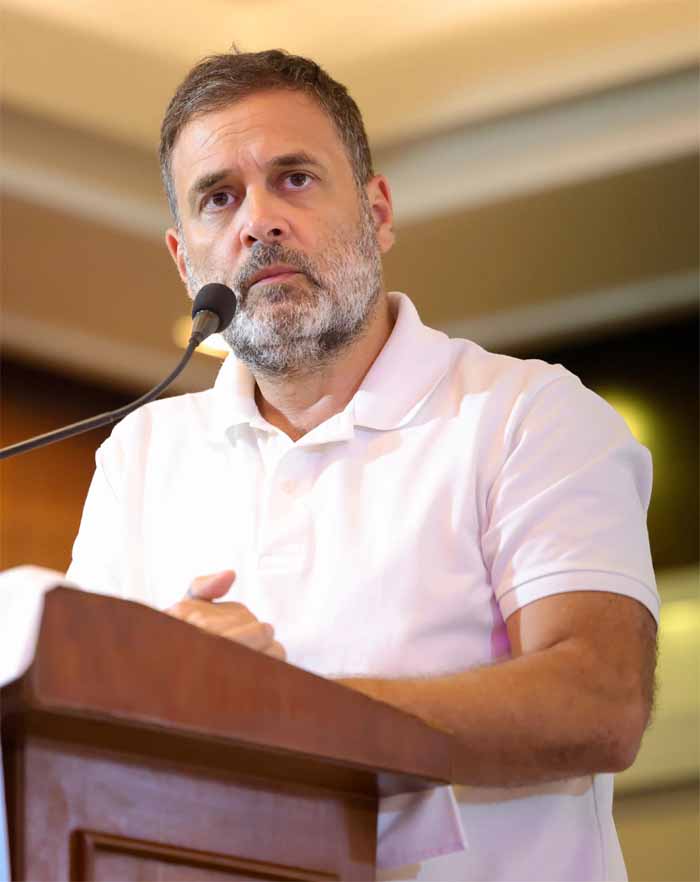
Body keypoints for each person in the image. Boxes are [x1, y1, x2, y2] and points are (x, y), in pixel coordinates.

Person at [66, 49, 659, 881]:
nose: (258, 222)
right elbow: (76, 746)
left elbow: (599, 702)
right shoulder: (139, 455)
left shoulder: (527, 413)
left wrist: (272, 710)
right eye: (219, 198)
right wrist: (168, 691)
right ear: (183, 258)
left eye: (295, 178)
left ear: (377, 212)